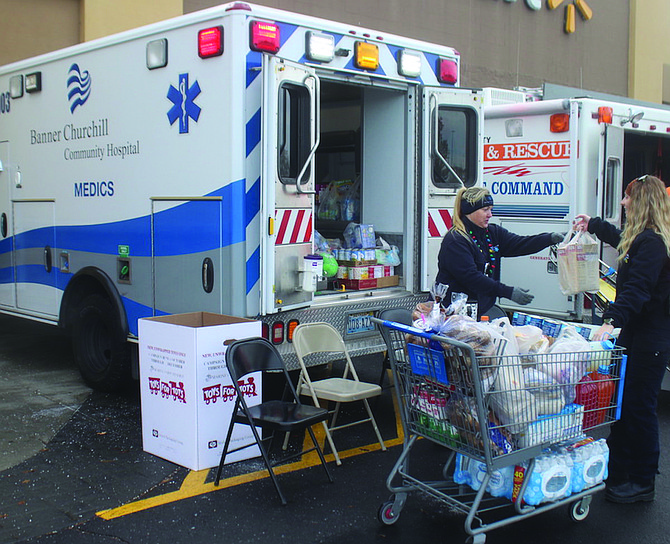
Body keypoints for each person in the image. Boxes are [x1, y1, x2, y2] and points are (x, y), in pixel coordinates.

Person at [574, 174, 670, 504]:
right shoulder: (642, 240)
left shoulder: (653, 244)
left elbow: (637, 290)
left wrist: (611, 320)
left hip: (649, 342)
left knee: (639, 410)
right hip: (637, 337)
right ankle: (619, 471)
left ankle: (643, 481)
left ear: (642, 202)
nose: (623, 203)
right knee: (624, 408)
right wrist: (595, 225)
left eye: (628, 198)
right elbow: (623, 243)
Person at [435, 187, 563, 317]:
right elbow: (471, 278)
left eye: (491, 209)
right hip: (452, 312)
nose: (490, 214)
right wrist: (508, 292)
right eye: (485, 210)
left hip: (479, 310)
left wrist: (550, 238)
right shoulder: (456, 239)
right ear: (470, 211)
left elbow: (520, 244)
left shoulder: (493, 232)